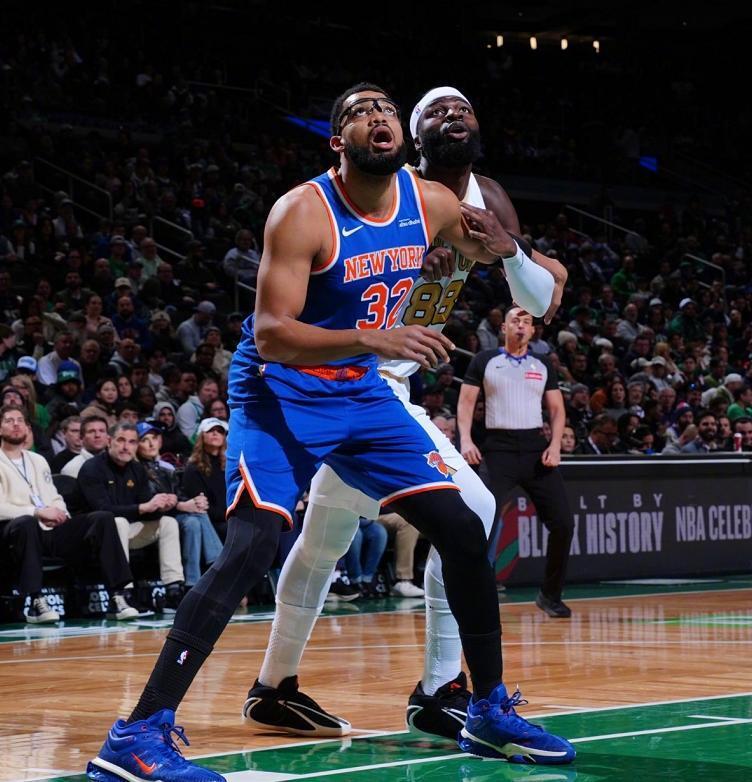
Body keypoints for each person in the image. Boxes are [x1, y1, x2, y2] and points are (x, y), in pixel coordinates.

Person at [87, 83, 572, 782]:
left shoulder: (434, 204)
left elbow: (536, 289)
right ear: (337, 142)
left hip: (363, 391)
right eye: (359, 113)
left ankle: (486, 709)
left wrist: (515, 254)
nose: (377, 116)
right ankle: (136, 735)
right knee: (254, 543)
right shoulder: (302, 211)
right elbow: (271, 334)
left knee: (465, 527)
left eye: (384, 108)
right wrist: (375, 337)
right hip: (281, 391)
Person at [242, 86, 568, 747]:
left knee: (325, 538)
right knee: (471, 511)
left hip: (387, 386)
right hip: (352, 380)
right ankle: (439, 690)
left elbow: (545, 293)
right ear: (414, 135)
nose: (454, 117)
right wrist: (420, 270)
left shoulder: (483, 198)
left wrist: (513, 252)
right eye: (437, 112)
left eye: (465, 109)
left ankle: (274, 686)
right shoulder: (392, 188)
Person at [458, 307, 574, 619]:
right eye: (515, 321)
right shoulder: (485, 360)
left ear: (533, 330)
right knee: (484, 520)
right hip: (498, 449)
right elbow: (466, 401)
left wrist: (554, 445)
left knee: (563, 523)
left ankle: (550, 595)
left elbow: (557, 410)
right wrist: (466, 440)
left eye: (526, 322)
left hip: (536, 450)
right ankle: (473, 593)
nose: (521, 326)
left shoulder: (542, 363)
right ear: (504, 328)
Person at [0, 405, 138, 622]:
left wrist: (60, 513)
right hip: (14, 532)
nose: (16, 424)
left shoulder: (37, 460)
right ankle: (35, 601)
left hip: (49, 529)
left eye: (20, 420)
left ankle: (117, 597)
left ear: (27, 428)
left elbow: (53, 495)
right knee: (26, 523)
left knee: (102, 518)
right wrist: (37, 512)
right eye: (9, 420)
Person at [77, 423, 186, 611]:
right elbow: (102, 510)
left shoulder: (136, 469)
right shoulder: (92, 468)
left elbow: (145, 507)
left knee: (168, 522)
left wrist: (163, 506)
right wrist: (144, 507)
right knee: (117, 522)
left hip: (128, 531)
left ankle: (173, 590)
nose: (126, 447)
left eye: (132, 442)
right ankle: (123, 592)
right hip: (94, 535)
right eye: (121, 440)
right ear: (109, 441)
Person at [136, 420, 223, 588]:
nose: (151, 443)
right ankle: (215, 564)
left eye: (154, 438)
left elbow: (179, 492)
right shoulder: (137, 469)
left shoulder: (166, 467)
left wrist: (192, 502)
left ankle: (193, 582)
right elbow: (150, 500)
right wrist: (181, 505)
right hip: (155, 517)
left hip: (174, 515)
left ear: (160, 441)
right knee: (194, 520)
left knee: (196, 516)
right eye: (145, 440)